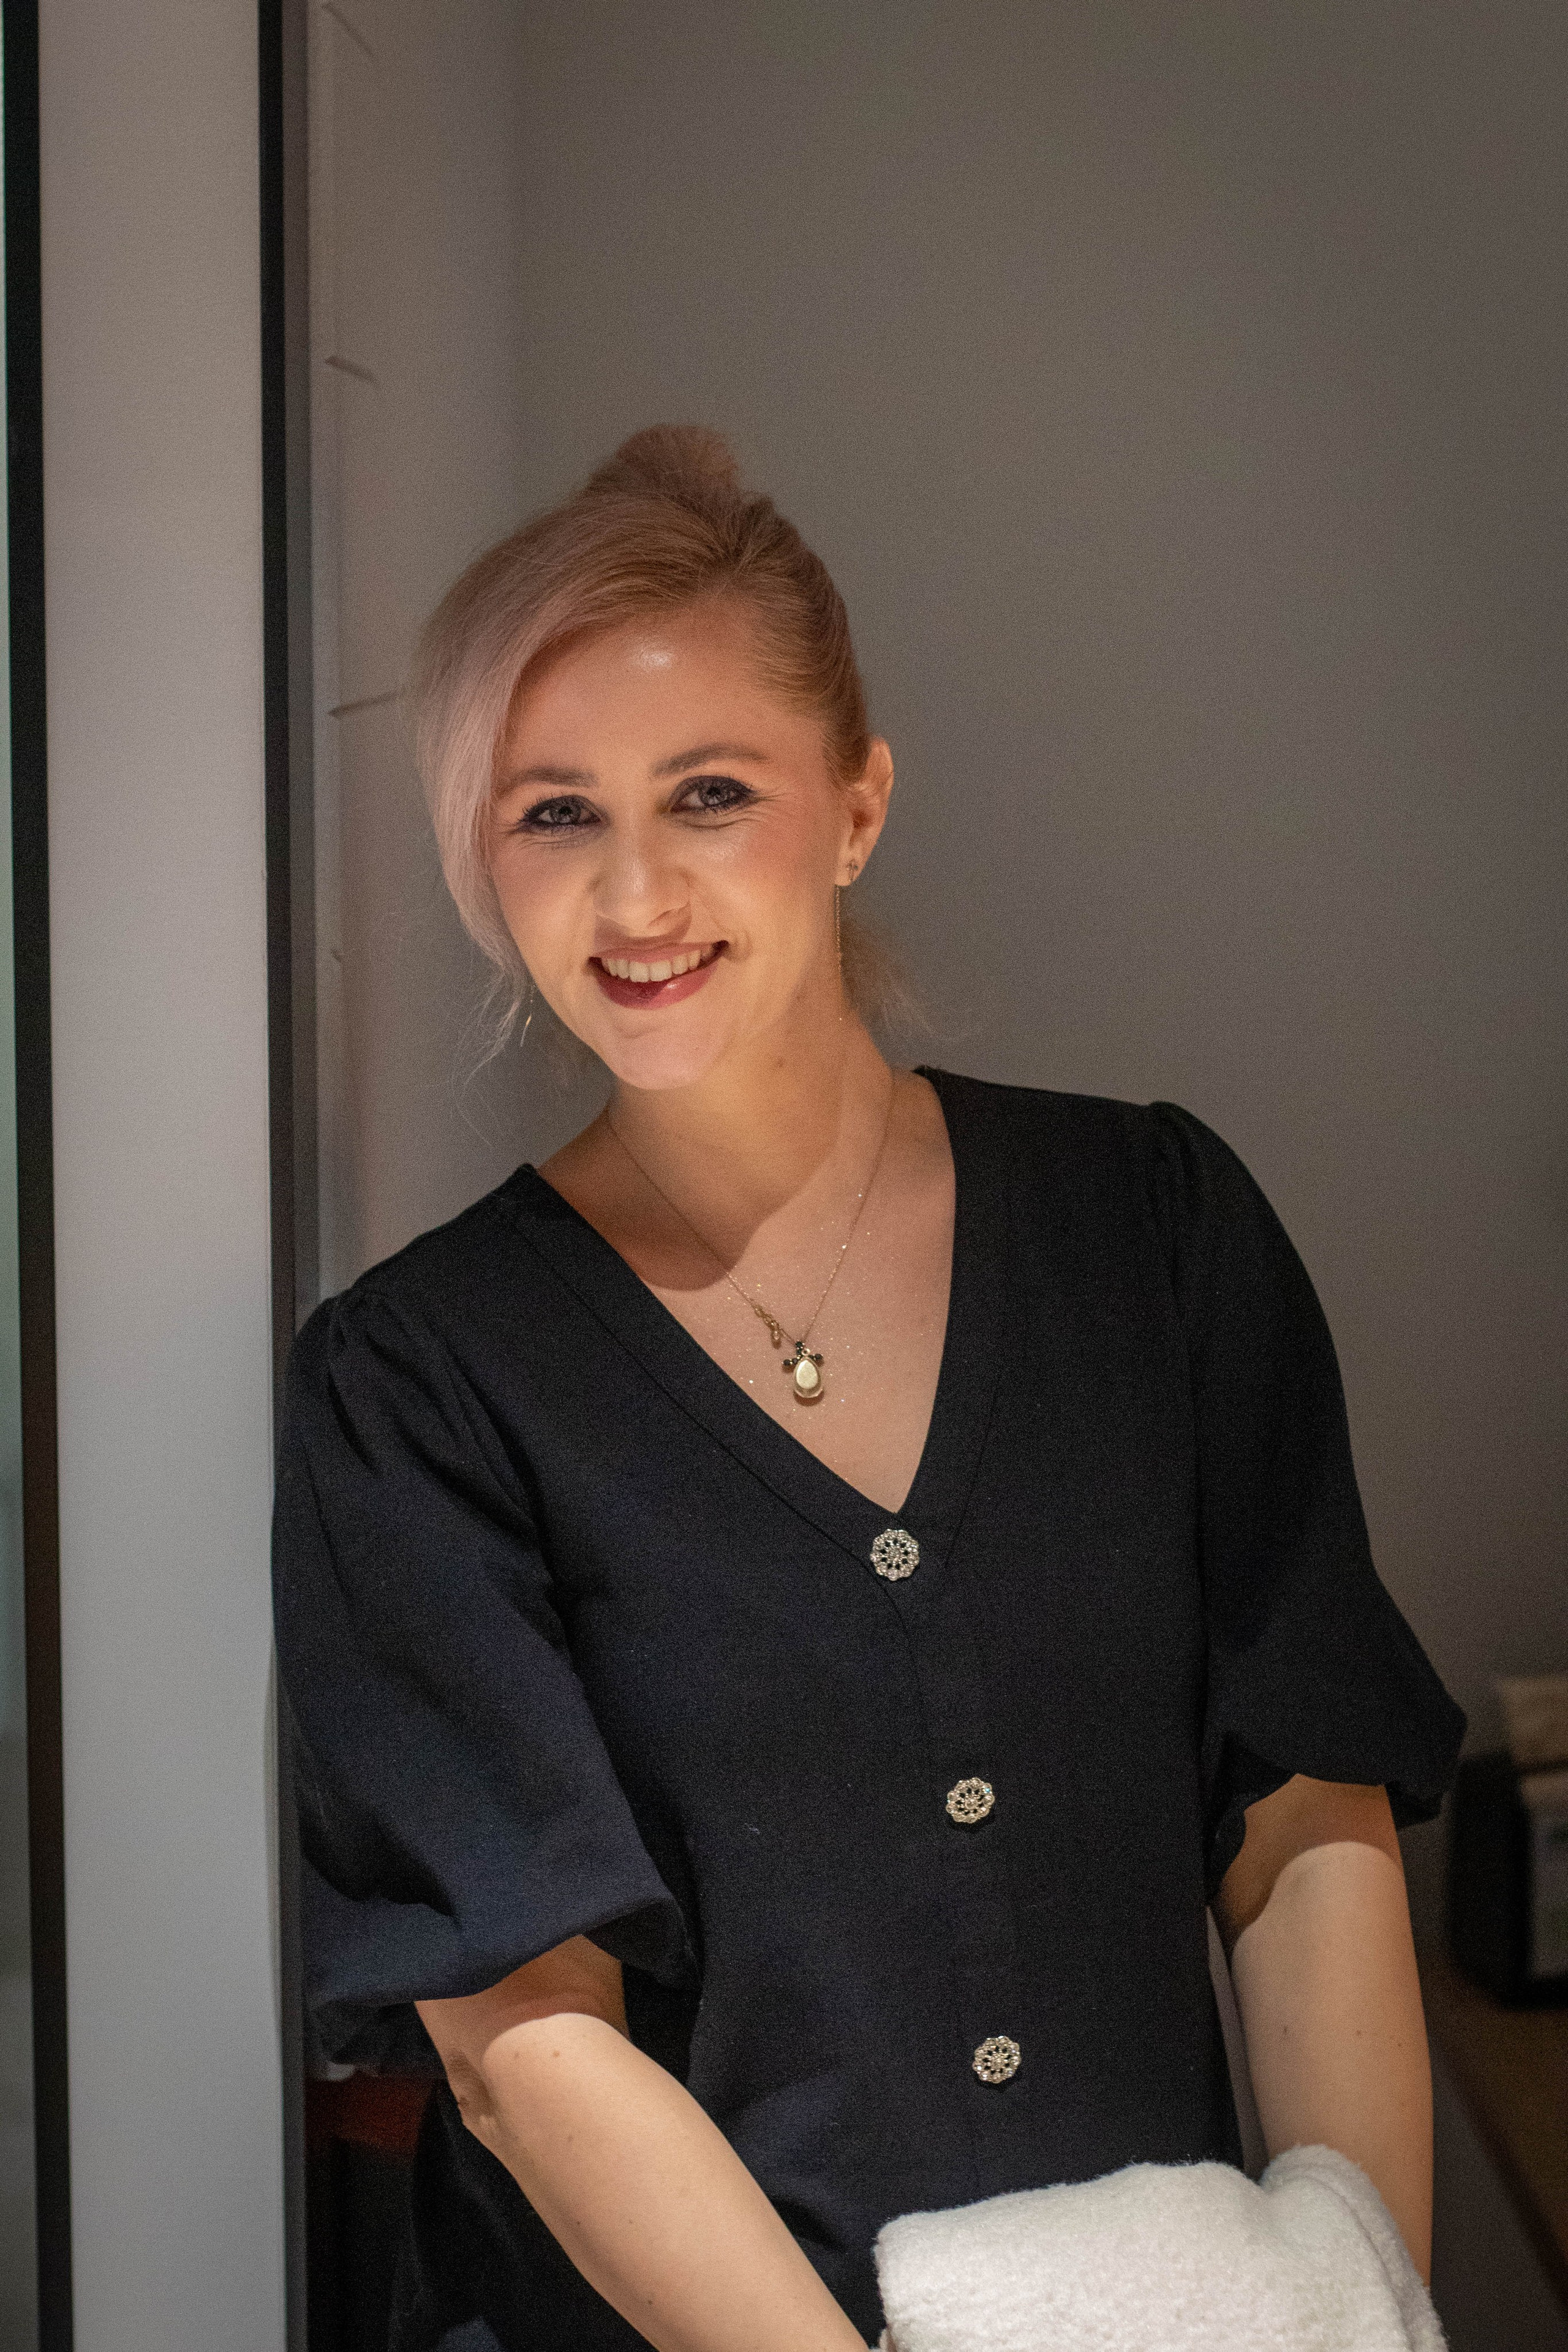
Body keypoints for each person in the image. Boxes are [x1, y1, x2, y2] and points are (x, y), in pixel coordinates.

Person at [271, 426, 1464, 2352]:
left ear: (856, 803)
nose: (635, 892)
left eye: (710, 792)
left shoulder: (1151, 1232)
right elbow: (523, 2045)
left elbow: (1304, 1823)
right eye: (551, 814)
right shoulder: (416, 1387)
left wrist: (1365, 2304)